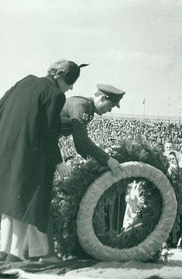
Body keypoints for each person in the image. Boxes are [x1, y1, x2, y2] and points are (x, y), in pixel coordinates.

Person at [25, 83, 126, 261]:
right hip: (35, 149)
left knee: (38, 200)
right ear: (102, 98)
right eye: (111, 105)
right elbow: (81, 143)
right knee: (42, 200)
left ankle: (31, 251)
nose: (110, 110)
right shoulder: (82, 106)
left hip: (39, 148)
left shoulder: (85, 107)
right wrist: (107, 160)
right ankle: (41, 253)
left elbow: (81, 147)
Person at [0, 60, 84, 263]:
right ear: (60, 76)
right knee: (24, 202)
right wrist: (59, 162)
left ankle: (3, 249)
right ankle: (16, 254)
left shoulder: (24, 81)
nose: (71, 87)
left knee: (7, 201)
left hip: (4, 148)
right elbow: (48, 134)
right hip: (27, 153)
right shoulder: (55, 95)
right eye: (71, 81)